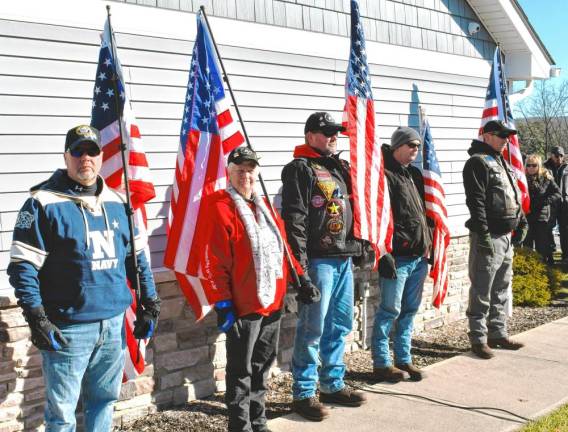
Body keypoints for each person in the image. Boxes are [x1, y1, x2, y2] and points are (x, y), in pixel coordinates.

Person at [7, 125, 160, 431]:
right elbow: (23, 268)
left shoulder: (119, 202)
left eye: (92, 151)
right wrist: (37, 317)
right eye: (77, 151)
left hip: (114, 325)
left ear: (102, 156)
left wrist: (150, 302)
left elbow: (137, 259)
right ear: (66, 156)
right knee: (61, 415)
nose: (85, 158)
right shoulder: (42, 204)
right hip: (68, 328)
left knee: (103, 402)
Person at [202, 146, 301, 432]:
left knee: (261, 367)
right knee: (241, 370)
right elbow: (214, 260)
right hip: (244, 306)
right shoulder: (219, 206)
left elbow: (282, 246)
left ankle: (259, 421)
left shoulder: (264, 206)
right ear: (229, 172)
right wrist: (222, 302)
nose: (245, 175)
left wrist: (301, 278)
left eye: (250, 170)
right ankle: (240, 425)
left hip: (272, 303)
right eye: (239, 170)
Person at [281, 112, 366, 422]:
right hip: (318, 261)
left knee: (340, 324)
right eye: (326, 131)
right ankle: (304, 393)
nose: (333, 136)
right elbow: (296, 221)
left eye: (335, 132)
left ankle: (332, 384)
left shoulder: (339, 168)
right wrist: (300, 270)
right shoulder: (298, 169)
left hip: (344, 257)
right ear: (309, 135)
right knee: (312, 327)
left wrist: (360, 246)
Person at [371, 127, 433, 382]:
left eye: (417, 147)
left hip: (419, 256)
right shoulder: (385, 175)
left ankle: (403, 358)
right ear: (397, 146)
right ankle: (382, 363)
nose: (415, 151)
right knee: (389, 310)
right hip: (398, 257)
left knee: (409, 310)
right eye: (411, 146)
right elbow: (380, 217)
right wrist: (384, 252)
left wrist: (428, 243)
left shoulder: (413, 175)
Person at [462, 120, 527, 360]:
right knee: (482, 288)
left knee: (501, 287)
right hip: (488, 235)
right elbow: (476, 202)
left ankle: (497, 333)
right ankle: (478, 338)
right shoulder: (477, 163)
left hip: (506, 236)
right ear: (487, 136)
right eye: (501, 136)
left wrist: (521, 220)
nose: (506, 140)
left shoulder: (501, 162)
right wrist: (484, 234)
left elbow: (512, 195)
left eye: (507, 136)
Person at [523, 154, 560, 263]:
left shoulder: (546, 177)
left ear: (539, 166)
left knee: (541, 245)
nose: (530, 168)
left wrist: (545, 201)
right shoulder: (522, 178)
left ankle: (544, 268)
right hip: (527, 215)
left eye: (534, 165)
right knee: (527, 244)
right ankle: (529, 270)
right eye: (528, 165)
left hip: (541, 217)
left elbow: (557, 193)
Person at [543, 146, 567, 260]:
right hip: (550, 202)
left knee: (565, 229)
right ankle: (550, 253)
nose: (559, 158)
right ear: (551, 155)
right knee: (548, 228)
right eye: (557, 155)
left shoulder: (566, 167)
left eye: (561, 155)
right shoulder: (544, 167)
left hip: (564, 204)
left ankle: (566, 254)